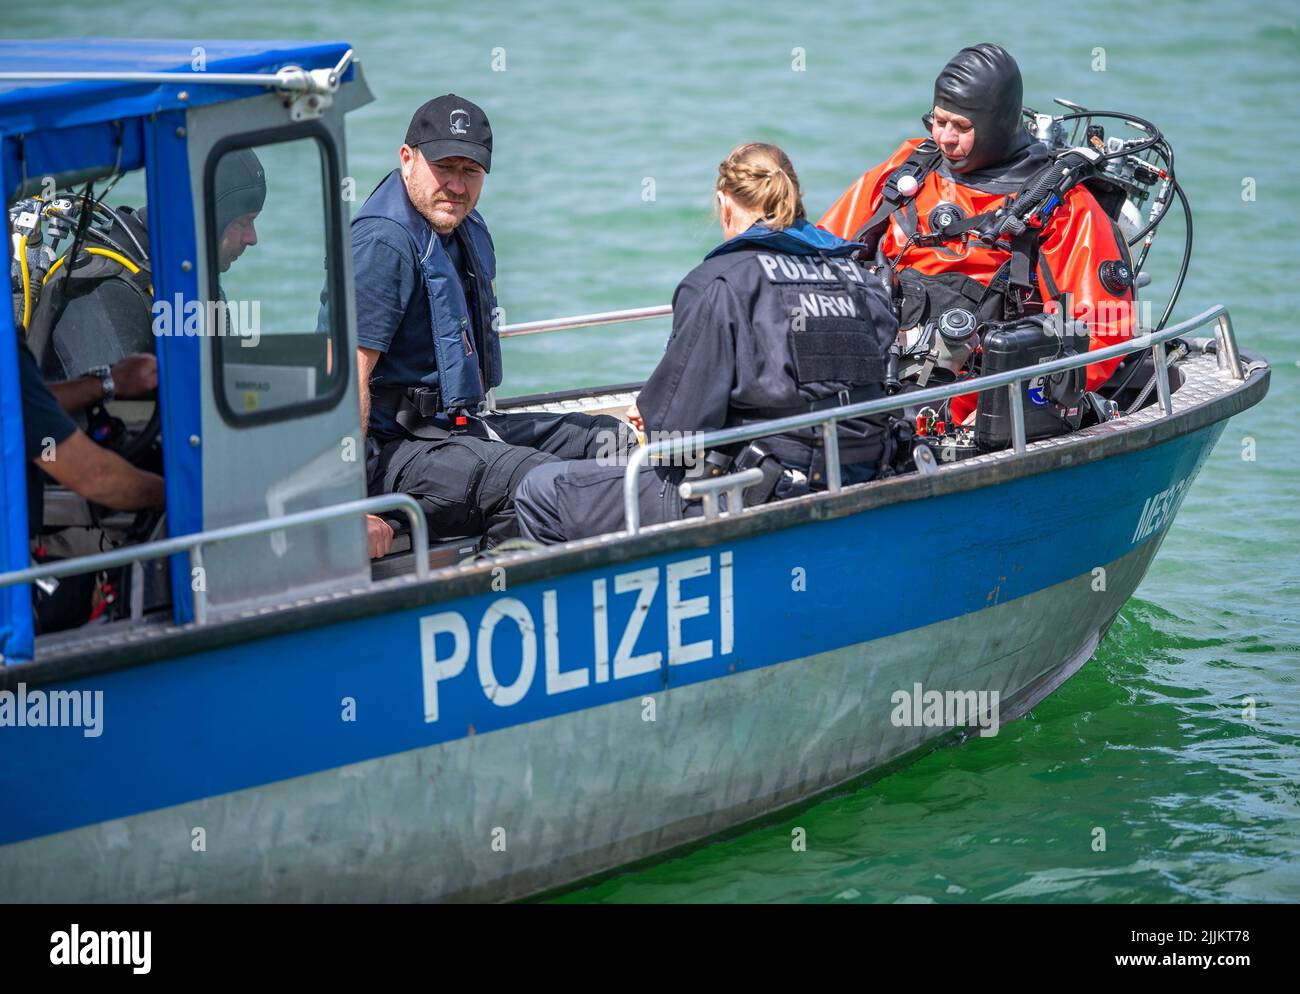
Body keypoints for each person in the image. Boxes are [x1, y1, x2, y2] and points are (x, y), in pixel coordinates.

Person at [514, 142, 897, 544]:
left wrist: (652, 413)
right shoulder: (857, 278)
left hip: (756, 489)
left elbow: (676, 440)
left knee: (542, 489)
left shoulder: (721, 281)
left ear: (724, 202)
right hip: (861, 469)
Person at [351, 94, 632, 550]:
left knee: (611, 440)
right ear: (407, 160)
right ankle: (486, 581)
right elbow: (345, 376)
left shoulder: (461, 227)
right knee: (545, 481)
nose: (457, 187)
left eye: (471, 171)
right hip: (393, 451)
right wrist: (349, 504)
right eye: (445, 167)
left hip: (458, 429)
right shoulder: (382, 243)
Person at [817, 42, 1134, 425]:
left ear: (1000, 124)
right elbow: (821, 249)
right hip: (874, 366)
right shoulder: (910, 169)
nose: (946, 138)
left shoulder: (1062, 207)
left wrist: (1016, 403)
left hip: (974, 400)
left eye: (962, 127)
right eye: (938, 121)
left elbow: (1102, 330)